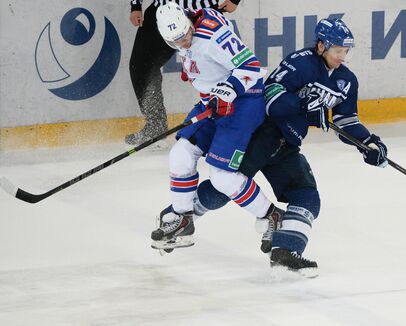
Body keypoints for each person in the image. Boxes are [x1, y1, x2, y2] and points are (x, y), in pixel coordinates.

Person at [190, 18, 389, 278]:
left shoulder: (346, 80)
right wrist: (305, 108)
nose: (342, 57)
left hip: (287, 143)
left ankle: (285, 251)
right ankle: (181, 215)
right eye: (337, 50)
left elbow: (346, 120)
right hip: (261, 134)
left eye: (345, 52)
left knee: (306, 196)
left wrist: (368, 143)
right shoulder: (300, 62)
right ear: (321, 46)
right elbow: (271, 99)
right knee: (226, 186)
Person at [150, 3, 283, 252]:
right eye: (176, 42)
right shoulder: (183, 35)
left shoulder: (212, 36)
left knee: (221, 177)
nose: (184, 44)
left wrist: (229, 90)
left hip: (242, 104)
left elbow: (251, 68)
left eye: (185, 36)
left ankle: (271, 215)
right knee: (180, 154)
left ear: (189, 23)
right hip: (211, 103)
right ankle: (183, 220)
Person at [126, 0, 241, 145]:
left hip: (202, 13)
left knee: (218, 70)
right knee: (141, 66)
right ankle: (155, 126)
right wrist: (136, 5)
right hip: (163, 13)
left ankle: (232, 121)